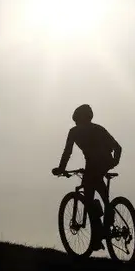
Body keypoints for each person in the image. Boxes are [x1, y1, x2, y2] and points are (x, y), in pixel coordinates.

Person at [52, 104, 122, 251]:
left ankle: (103, 226)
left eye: (77, 120)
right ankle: (101, 228)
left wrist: (61, 169)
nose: (77, 124)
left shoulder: (84, 131)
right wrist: (112, 163)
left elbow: (67, 152)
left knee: (91, 191)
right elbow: (68, 152)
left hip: (100, 164)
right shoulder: (89, 130)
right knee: (91, 196)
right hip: (94, 165)